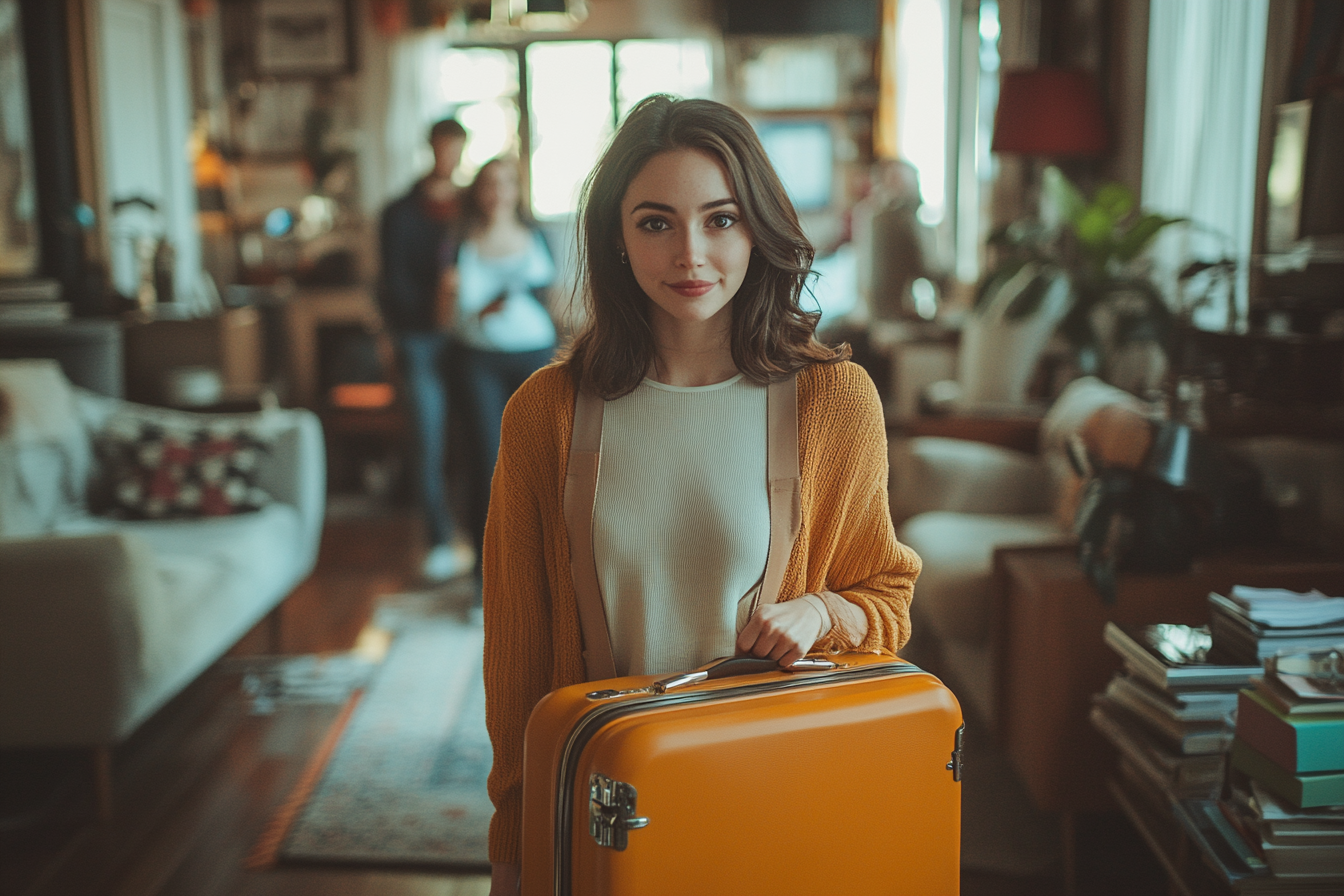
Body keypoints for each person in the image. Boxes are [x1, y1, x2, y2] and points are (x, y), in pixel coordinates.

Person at [481, 95, 921, 894]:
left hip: (776, 807)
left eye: (720, 220)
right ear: (615, 235)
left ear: (759, 226)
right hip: (601, 818)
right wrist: (513, 857)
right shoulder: (544, 414)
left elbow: (887, 600)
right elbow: (516, 671)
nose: (691, 254)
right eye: (656, 223)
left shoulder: (834, 401)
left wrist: (822, 611)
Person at [446, 157, 559, 565]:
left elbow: (553, 301)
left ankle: (540, 570)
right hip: (478, 360)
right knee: (486, 464)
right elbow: (445, 312)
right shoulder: (460, 238)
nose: (497, 192)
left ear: (517, 190)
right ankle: (485, 574)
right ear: (478, 191)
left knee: (541, 465)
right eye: (489, 183)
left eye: (506, 183)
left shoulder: (537, 236)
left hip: (535, 356)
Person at [377, 118, 475, 583]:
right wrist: (428, 313)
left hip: (470, 341)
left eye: (455, 147)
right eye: (441, 146)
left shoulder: (471, 208)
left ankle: (479, 543)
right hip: (418, 339)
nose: (447, 154)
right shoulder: (398, 212)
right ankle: (437, 539)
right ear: (431, 147)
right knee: (428, 440)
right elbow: (389, 282)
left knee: (476, 442)